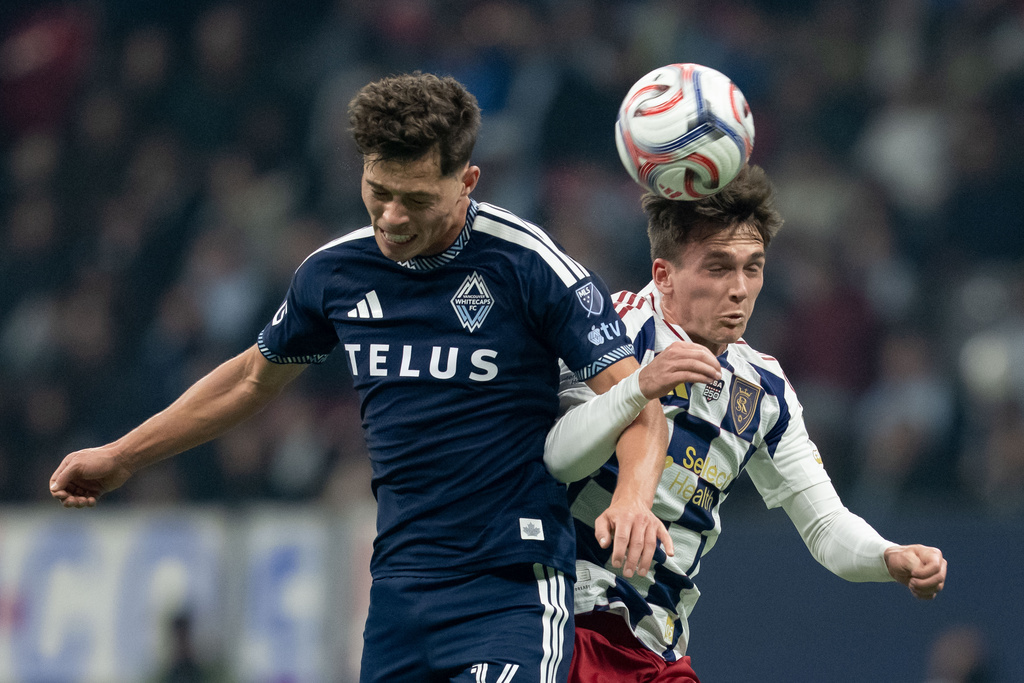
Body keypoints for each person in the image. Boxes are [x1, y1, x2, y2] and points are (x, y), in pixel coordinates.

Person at [48, 72, 674, 682]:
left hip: (511, 587)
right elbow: (247, 382)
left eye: (418, 199)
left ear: (467, 182)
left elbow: (635, 402)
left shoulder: (530, 265)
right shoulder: (333, 274)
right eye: (379, 191)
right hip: (399, 596)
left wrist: (632, 499)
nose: (393, 217)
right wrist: (122, 457)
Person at [541, 165, 948, 682]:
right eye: (717, 267)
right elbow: (555, 459)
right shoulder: (610, 329)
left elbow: (824, 525)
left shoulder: (765, 391)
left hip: (657, 644)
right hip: (559, 618)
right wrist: (637, 389)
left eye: (752, 268)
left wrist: (888, 556)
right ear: (663, 274)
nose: (739, 289)